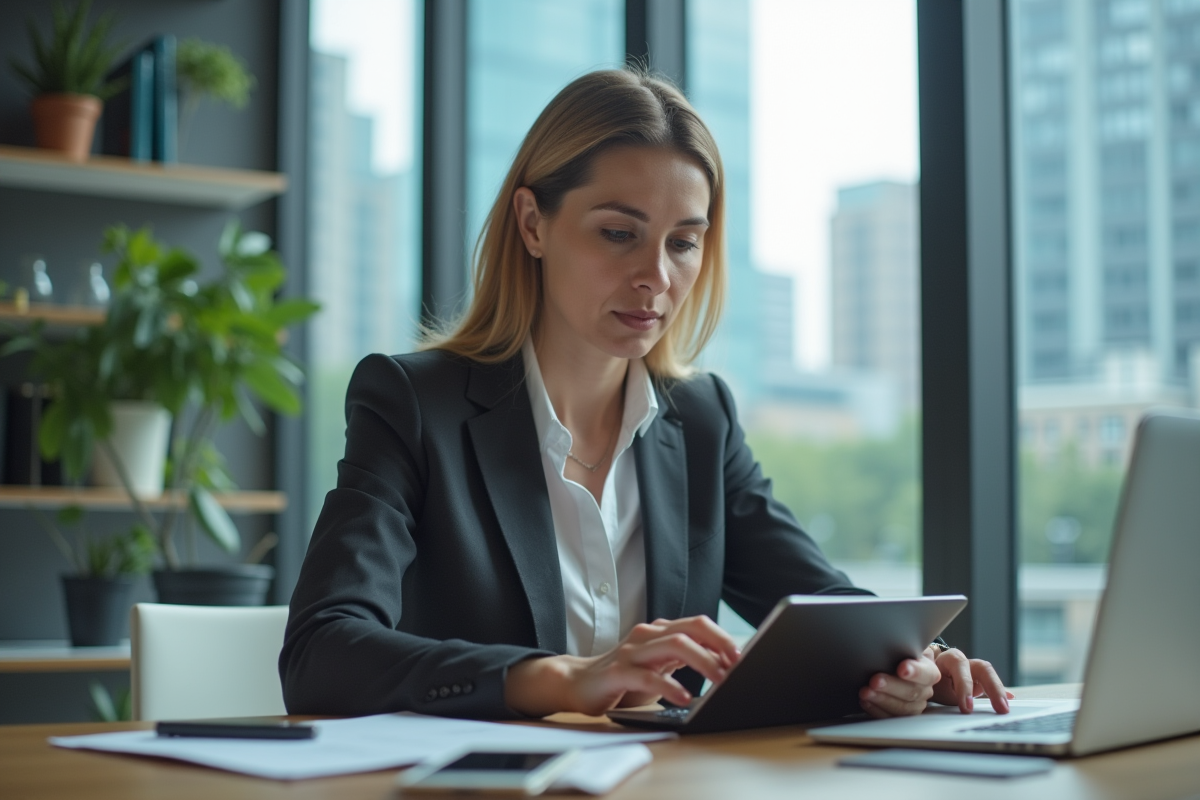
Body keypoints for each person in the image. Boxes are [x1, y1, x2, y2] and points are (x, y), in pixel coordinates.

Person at [280, 68, 1013, 721]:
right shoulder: (413, 403)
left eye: (683, 242)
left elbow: (820, 606)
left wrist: (919, 658)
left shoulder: (700, 419)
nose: (656, 278)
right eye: (619, 233)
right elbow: (322, 654)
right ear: (534, 223)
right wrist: (563, 680)